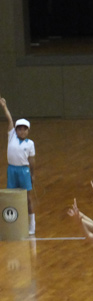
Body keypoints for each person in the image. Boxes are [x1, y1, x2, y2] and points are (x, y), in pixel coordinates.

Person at [2, 96, 36, 235]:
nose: (22, 131)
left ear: (28, 131)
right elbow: (9, 119)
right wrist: (4, 106)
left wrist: (32, 174)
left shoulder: (30, 143)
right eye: (19, 129)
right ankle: (12, 224)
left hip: (24, 171)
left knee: (27, 198)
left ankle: (32, 224)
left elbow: (32, 160)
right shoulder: (11, 136)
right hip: (12, 170)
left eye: (24, 129)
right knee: (11, 196)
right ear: (15, 130)